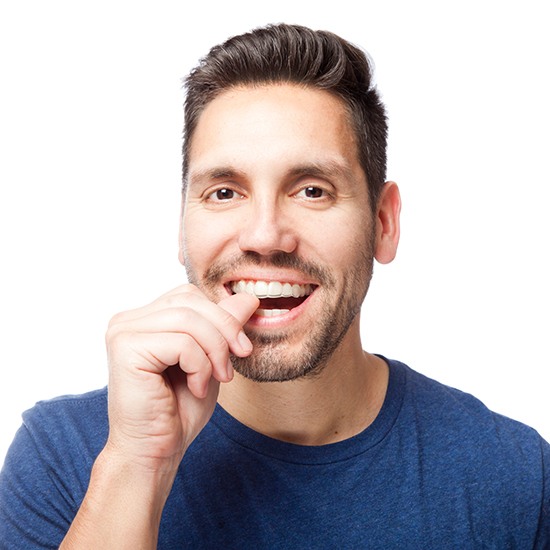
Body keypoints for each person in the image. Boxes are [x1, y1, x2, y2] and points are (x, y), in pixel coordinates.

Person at [0, 23, 548, 549]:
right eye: (224, 192)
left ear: (384, 223)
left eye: (311, 190)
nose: (264, 236)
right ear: (181, 226)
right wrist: (137, 465)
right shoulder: (64, 458)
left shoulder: (517, 477)